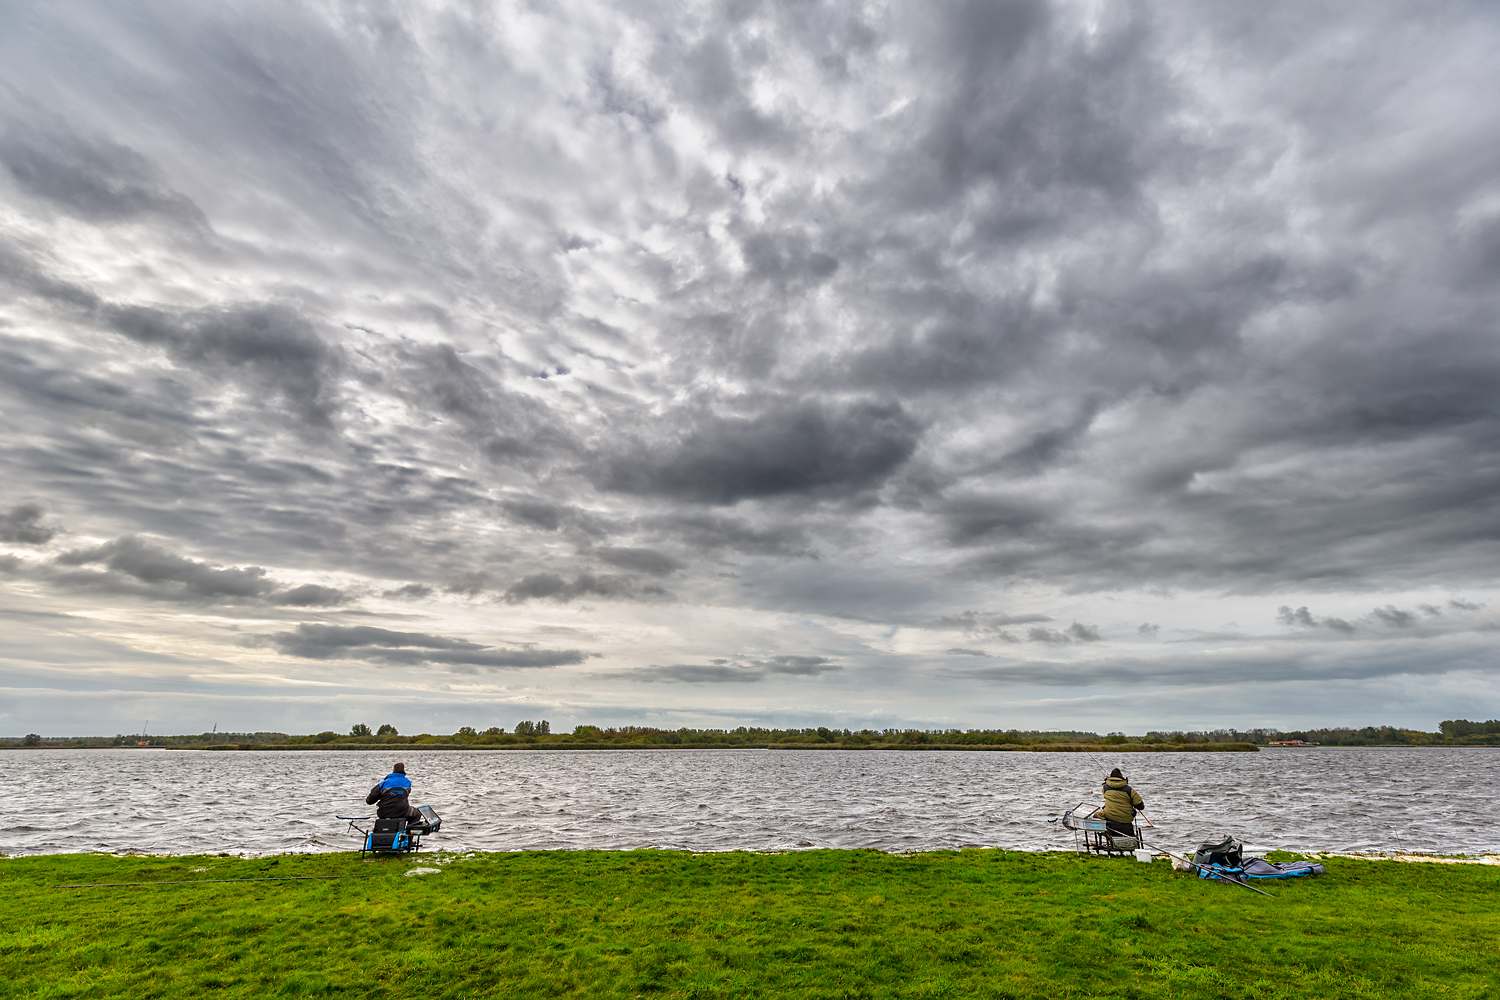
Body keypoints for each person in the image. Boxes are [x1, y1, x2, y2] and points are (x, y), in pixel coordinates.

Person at [1096, 767, 1145, 836]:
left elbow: (1106, 796)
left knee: (1096, 816)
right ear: (1121, 776)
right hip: (1126, 819)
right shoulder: (1129, 790)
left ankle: (1106, 835)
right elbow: (1140, 805)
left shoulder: (1105, 787)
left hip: (1110, 816)